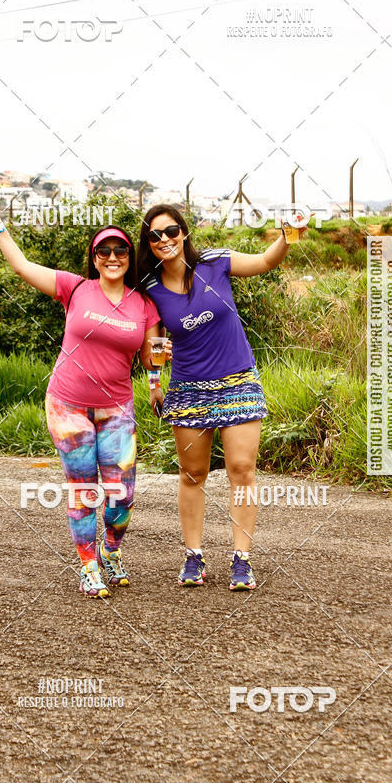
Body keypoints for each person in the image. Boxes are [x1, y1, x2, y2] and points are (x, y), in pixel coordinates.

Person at [0, 195, 165, 598]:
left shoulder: (145, 305)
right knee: (82, 487)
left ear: (129, 257)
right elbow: (22, 266)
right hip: (67, 405)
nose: (112, 256)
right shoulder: (74, 288)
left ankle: (110, 550)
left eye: (120, 250)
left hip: (117, 408)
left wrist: (155, 386)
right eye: (104, 250)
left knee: (122, 494)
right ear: (94, 257)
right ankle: (88, 565)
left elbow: (153, 355)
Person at [137, 204, 309, 591]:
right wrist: (153, 382)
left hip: (238, 380)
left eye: (171, 231)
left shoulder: (216, 263)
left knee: (242, 469)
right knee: (192, 474)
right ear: (148, 243)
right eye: (155, 235)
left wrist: (287, 236)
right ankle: (194, 557)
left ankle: (241, 560)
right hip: (188, 389)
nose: (164, 239)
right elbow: (157, 340)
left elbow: (266, 261)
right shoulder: (150, 286)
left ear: (184, 232)